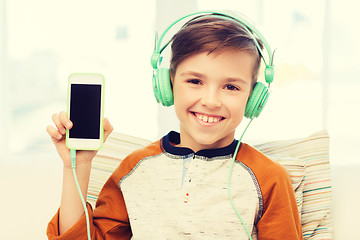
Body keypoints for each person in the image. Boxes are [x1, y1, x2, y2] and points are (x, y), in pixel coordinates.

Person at [46, 11, 303, 240]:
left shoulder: (269, 179)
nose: (211, 101)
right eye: (195, 81)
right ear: (168, 85)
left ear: (253, 99)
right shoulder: (134, 168)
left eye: (231, 87)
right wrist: (76, 167)